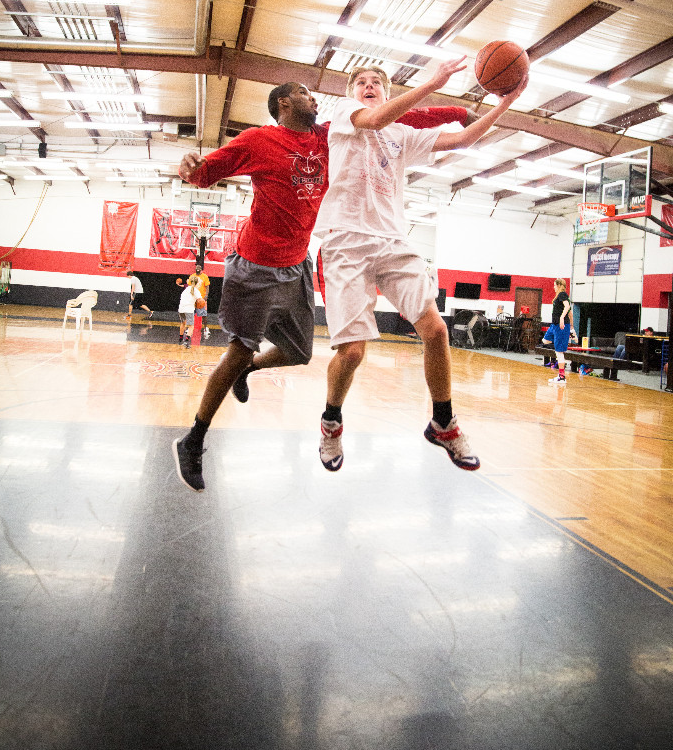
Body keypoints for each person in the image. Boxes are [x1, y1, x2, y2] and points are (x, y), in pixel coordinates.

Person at [172, 72, 473, 492]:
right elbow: (204, 175)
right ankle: (194, 438)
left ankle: (249, 370)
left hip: (297, 265)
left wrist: (458, 111)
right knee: (239, 350)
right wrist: (189, 163)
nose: (313, 98)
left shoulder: (331, 135)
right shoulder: (259, 140)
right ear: (283, 105)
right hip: (255, 265)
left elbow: (407, 116)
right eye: (303, 93)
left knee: (298, 353)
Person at [314, 62, 529, 474]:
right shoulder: (345, 114)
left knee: (436, 328)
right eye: (362, 82)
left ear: (388, 88)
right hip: (346, 242)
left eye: (377, 81)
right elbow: (376, 117)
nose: (369, 86)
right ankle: (331, 421)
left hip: (393, 240)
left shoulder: (403, 136)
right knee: (353, 353)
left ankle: (443, 422)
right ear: (352, 92)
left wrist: (507, 102)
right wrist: (434, 84)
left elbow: (464, 138)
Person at [541, 278, 578, 386]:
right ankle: (569, 335)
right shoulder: (559, 297)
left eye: (554, 285)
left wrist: (562, 318)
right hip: (555, 326)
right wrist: (571, 327)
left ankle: (562, 377)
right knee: (545, 340)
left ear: (558, 285)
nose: (553, 287)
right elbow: (570, 314)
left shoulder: (562, 294)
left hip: (561, 326)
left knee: (559, 352)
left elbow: (567, 307)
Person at [178, 275, 203, 348]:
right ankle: (186, 342)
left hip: (181, 309)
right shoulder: (196, 291)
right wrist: (202, 302)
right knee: (191, 326)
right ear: (197, 283)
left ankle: (180, 339)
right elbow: (200, 301)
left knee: (183, 323)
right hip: (189, 309)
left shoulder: (186, 289)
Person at [188, 264, 211, 339]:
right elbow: (189, 287)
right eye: (196, 267)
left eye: (199, 268)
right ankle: (189, 328)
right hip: (194, 298)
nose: (197, 268)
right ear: (195, 269)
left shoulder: (205, 276)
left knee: (204, 315)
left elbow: (207, 287)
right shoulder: (192, 276)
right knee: (190, 314)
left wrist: (206, 296)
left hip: (201, 299)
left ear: (201, 269)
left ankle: (206, 328)